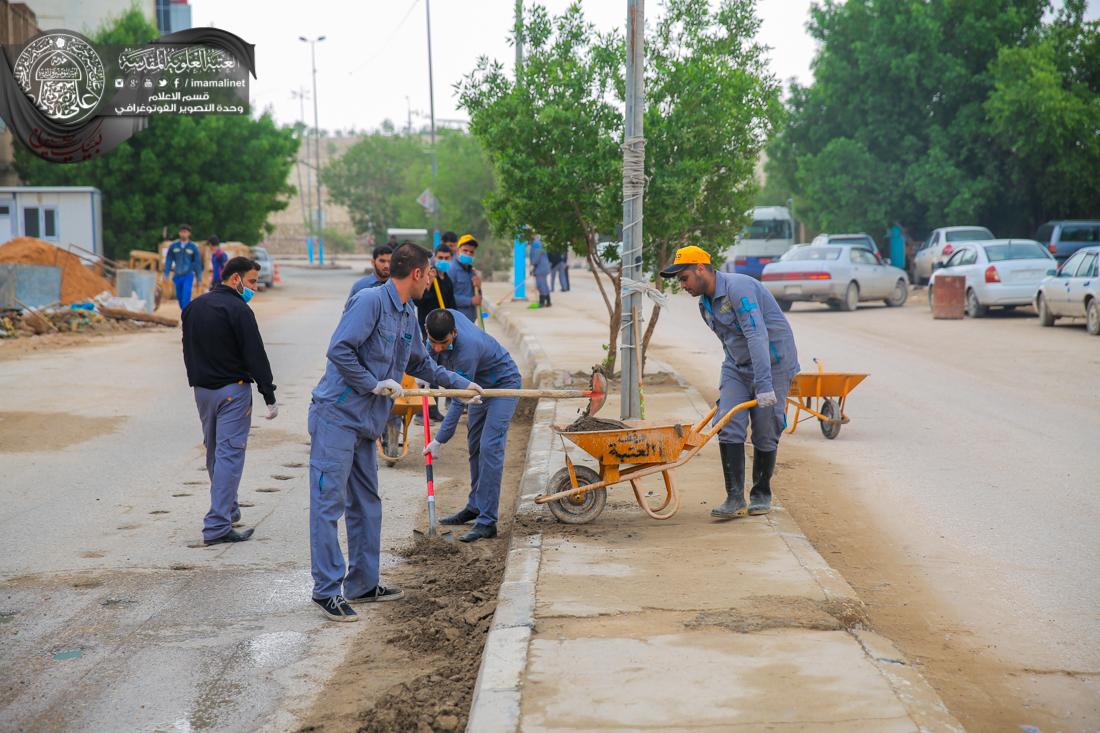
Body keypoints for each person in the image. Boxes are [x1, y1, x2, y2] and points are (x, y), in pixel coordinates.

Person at [308, 242, 483, 622]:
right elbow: (340, 350)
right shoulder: (371, 302)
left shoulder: (407, 313)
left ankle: (363, 582)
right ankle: (326, 590)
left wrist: (461, 384)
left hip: (366, 421)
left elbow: (421, 363)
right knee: (328, 505)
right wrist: (372, 383)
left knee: (367, 503)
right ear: (418, 273)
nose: (434, 278)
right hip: (336, 416)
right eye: (431, 271)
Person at [659, 245, 799, 519]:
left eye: (684, 278)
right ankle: (734, 497)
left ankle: (761, 492)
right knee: (727, 423)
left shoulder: (739, 288)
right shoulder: (705, 304)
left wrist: (765, 384)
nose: (682, 285)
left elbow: (757, 336)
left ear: (701, 269)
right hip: (737, 365)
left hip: (773, 362)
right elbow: (729, 343)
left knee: (765, 427)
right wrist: (731, 381)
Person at [181, 256, 278, 545]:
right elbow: (255, 354)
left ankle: (229, 507)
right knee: (229, 455)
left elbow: (188, 350)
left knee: (214, 452)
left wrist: (196, 381)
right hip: (233, 392)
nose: (253, 289)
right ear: (235, 279)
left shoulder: (193, 307)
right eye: (250, 282)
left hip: (202, 391)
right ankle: (217, 525)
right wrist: (268, 394)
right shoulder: (239, 310)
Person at [423, 308, 521, 542]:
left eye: (443, 343)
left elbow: (459, 400)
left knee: (490, 448)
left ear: (454, 333)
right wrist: (424, 375)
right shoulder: (439, 323)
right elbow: (430, 361)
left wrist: (439, 440)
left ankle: (487, 522)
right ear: (427, 331)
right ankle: (475, 506)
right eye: (433, 342)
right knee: (475, 445)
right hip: (477, 387)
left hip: (502, 386)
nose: (437, 348)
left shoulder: (468, 348)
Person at [415, 244, 458, 422]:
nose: (444, 261)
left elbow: (452, 306)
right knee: (428, 370)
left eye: (447, 258)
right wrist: (430, 284)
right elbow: (420, 301)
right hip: (429, 331)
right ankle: (422, 412)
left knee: (441, 369)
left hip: (444, 331)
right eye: (440, 257)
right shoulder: (429, 280)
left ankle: (435, 409)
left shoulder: (446, 280)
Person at [164, 224, 203, 310]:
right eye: (182, 232)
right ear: (179, 233)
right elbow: (168, 260)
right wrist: (166, 274)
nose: (183, 234)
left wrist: (199, 279)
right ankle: (186, 312)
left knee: (186, 296)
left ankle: (186, 317)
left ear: (189, 234)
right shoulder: (174, 246)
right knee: (179, 297)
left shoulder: (193, 247)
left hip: (188, 275)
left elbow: (197, 263)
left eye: (185, 232)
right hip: (177, 275)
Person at [451, 234, 482, 323]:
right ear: (458, 250)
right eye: (465, 250)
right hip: (457, 321)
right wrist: (470, 301)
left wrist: (479, 288)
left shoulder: (472, 272)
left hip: (470, 320)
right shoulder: (451, 270)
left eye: (471, 252)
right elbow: (449, 297)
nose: (468, 253)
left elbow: (478, 298)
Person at [531, 236, 552, 307]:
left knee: (540, 285)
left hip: (540, 267)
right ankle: (548, 301)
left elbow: (537, 255)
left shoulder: (536, 243)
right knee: (544, 284)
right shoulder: (540, 243)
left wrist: (534, 265)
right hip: (543, 266)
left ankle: (542, 302)